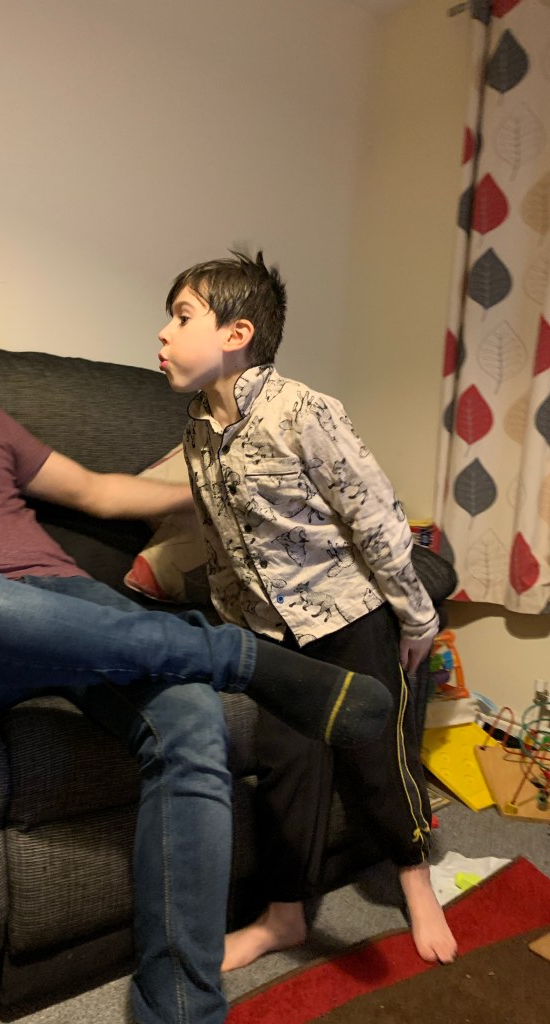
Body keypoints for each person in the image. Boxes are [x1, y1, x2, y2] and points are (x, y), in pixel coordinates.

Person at [0, 284, 392, 1024]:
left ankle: (180, 1008)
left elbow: (102, 494)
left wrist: (222, 486)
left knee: (192, 723)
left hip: (71, 606)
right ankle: (239, 658)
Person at [157, 251, 458, 969]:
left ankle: (415, 879)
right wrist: (232, 630)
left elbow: (375, 518)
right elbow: (222, 540)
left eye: (182, 317)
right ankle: (284, 916)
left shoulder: (304, 410)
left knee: (378, 759)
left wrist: (417, 618)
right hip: (270, 634)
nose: (163, 334)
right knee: (287, 767)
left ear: (237, 333)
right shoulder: (197, 429)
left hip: (349, 617)